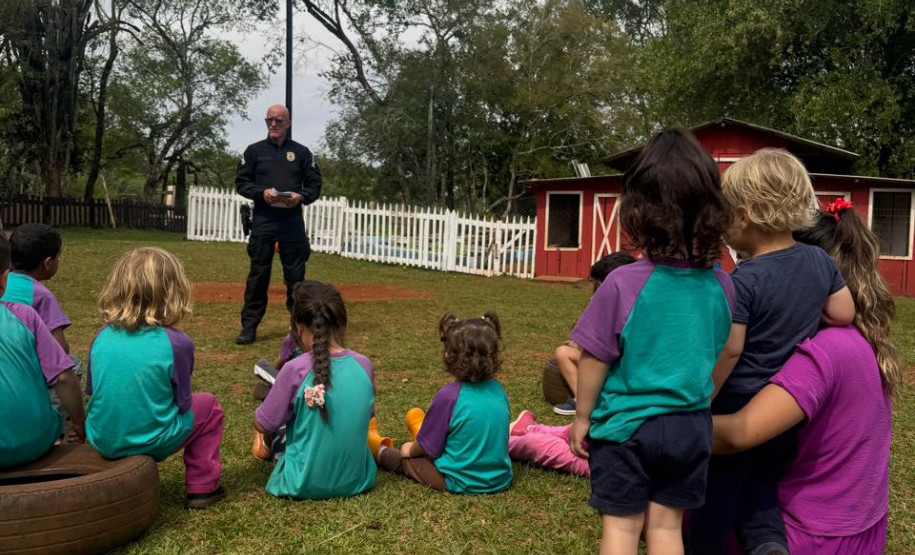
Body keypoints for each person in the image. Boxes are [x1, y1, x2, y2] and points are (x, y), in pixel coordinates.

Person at [568, 127, 735, 555]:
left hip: (627, 428)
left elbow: (593, 359)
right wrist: (703, 393)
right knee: (666, 529)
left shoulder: (624, 283)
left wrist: (583, 417)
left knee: (622, 530)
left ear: (638, 209)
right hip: (690, 427)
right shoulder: (723, 286)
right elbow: (727, 347)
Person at [686, 150, 856, 555]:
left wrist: (704, 396)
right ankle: (767, 542)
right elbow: (843, 312)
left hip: (735, 406)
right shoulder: (818, 259)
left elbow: (731, 349)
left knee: (717, 493)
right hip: (782, 411)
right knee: (761, 488)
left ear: (742, 217)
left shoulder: (743, 280)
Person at [712, 203, 897, 554]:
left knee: (679, 511)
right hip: (862, 533)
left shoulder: (823, 351)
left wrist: (651, 427)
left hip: (812, 537)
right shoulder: (859, 339)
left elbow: (738, 434)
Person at [85, 247, 226, 509]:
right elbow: (182, 403)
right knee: (210, 407)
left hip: (101, 438)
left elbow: (94, 391)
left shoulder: (101, 336)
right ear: (173, 292)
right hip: (152, 440)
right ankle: (203, 488)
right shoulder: (177, 343)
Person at [252, 281, 378, 499]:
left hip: (301, 483)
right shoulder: (364, 365)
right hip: (358, 479)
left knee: (278, 426)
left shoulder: (293, 369)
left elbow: (262, 423)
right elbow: (367, 417)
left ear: (298, 327)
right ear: (343, 323)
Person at [377, 312, 513, 495]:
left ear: (451, 356)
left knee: (402, 458)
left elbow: (427, 448)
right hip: (500, 479)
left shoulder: (448, 396)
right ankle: (417, 429)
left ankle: (378, 450)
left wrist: (408, 449)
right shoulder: (498, 390)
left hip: (460, 480)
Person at [235, 104, 323, 345]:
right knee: (258, 275)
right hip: (263, 221)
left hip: (291, 222)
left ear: (288, 123)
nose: (274, 124)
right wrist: (260, 192)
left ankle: (298, 328)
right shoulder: (253, 152)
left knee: (296, 277)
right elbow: (241, 182)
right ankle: (249, 327)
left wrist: (301, 197)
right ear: (266, 122)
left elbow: (315, 185)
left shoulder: (302, 153)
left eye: (279, 121)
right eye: (270, 120)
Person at [0, 233, 85, 468]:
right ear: (4, 279)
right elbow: (63, 374)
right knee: (71, 364)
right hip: (31, 444)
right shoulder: (25, 314)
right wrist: (79, 421)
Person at [552, 252, 637, 416]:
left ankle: (582, 401)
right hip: (613, 363)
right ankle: (585, 398)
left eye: (599, 286)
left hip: (621, 365)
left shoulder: (624, 306)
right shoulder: (603, 301)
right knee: (564, 352)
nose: (596, 291)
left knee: (565, 353)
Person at [1, 223, 72, 354]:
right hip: (26, 363)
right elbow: (59, 348)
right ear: (48, 263)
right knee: (76, 364)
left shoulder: (3, 282)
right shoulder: (42, 295)